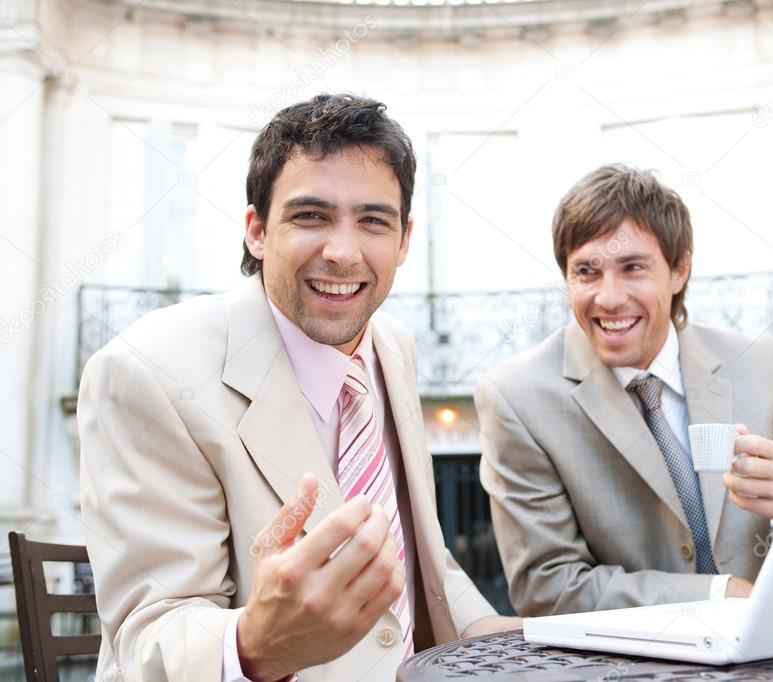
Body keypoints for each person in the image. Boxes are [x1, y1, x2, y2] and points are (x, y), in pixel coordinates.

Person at [79, 94, 517, 682]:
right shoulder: (145, 371)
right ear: (257, 230)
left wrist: (497, 640)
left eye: (373, 220)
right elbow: (147, 638)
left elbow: (418, 557)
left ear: (405, 239)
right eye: (310, 216)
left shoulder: (394, 348)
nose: (342, 252)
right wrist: (257, 642)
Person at [475, 164, 773, 617]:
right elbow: (548, 587)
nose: (609, 297)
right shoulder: (516, 398)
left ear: (679, 270)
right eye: (587, 271)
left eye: (632, 267)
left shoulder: (763, 364)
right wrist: (720, 595)